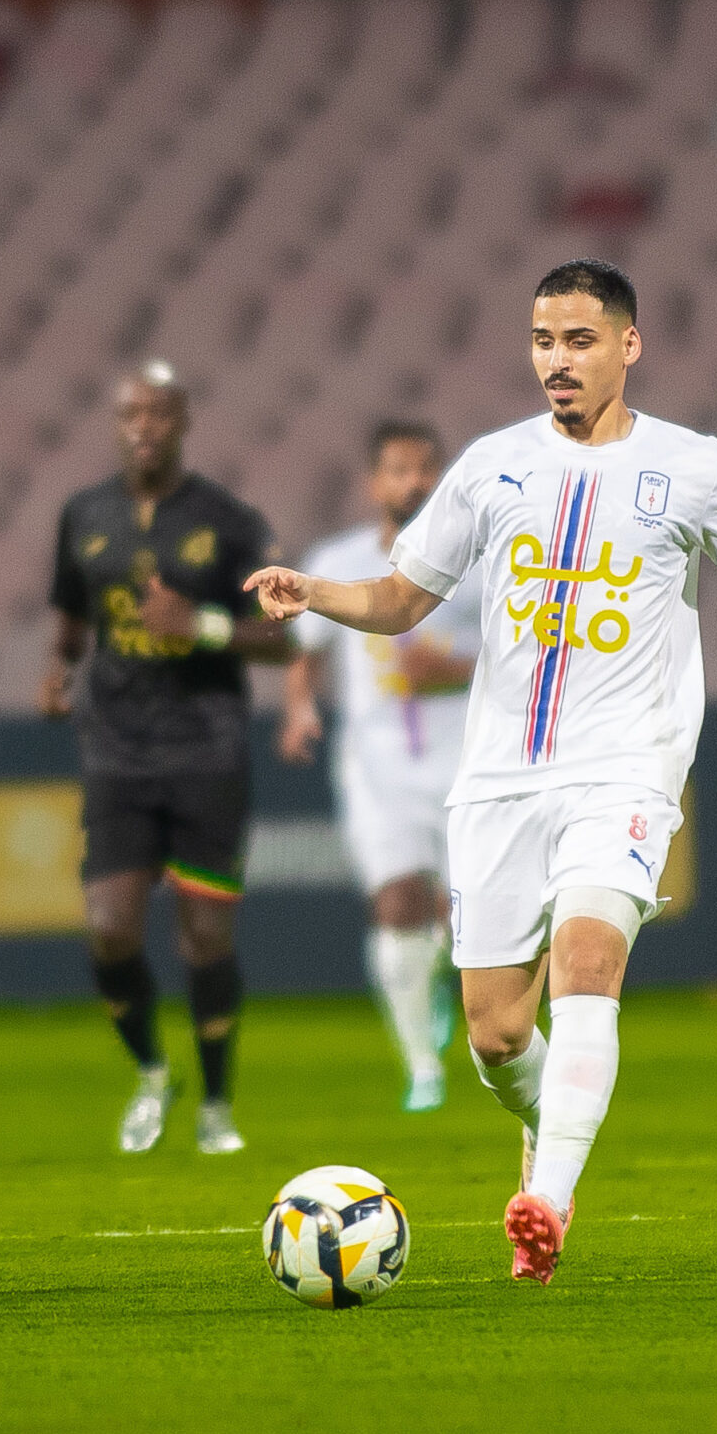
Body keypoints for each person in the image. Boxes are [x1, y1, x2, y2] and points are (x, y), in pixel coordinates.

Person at [245, 258, 717, 1282]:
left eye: (579, 340)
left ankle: (547, 1202)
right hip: (496, 782)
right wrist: (313, 591)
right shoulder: (492, 467)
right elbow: (405, 599)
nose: (557, 361)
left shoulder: (696, 466)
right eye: (542, 340)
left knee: (587, 964)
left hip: (624, 770)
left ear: (629, 344)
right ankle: (546, 1123)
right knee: (494, 1034)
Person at [43, 361, 284, 1157]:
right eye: (129, 414)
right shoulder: (84, 514)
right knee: (109, 926)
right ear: (116, 423)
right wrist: (58, 667)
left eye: (157, 413)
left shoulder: (229, 521)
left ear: (182, 422)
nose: (143, 426)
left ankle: (217, 1102)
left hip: (206, 747)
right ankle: (152, 1070)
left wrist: (204, 627)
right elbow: (73, 620)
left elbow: (283, 637)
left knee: (205, 939)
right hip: (116, 746)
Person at [278, 420, 482, 1112]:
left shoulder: (483, 561)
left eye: (425, 468)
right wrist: (301, 708)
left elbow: (526, 655)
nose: (413, 482)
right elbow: (305, 649)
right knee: (396, 902)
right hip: (376, 768)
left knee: (471, 919)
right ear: (374, 482)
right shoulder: (337, 559)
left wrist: (451, 669)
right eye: (398, 470)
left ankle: (445, 986)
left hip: (470, 760)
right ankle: (421, 1065)